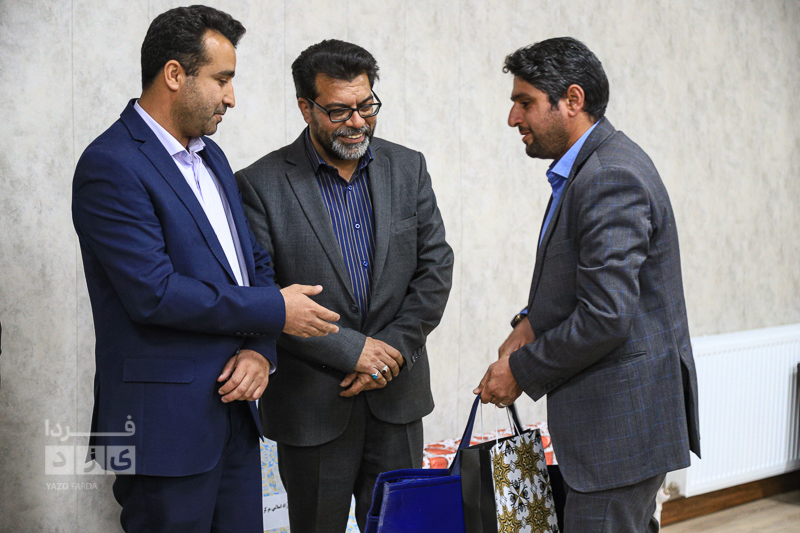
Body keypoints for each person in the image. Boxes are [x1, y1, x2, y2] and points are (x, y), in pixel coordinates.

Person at [71, 6, 339, 532]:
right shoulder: (110, 164)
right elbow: (154, 292)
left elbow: (252, 263)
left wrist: (261, 351)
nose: (231, 97)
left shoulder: (212, 157)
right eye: (222, 79)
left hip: (237, 418)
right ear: (175, 74)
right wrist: (276, 310)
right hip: (163, 431)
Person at [474, 37, 700, 532]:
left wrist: (520, 371)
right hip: (616, 427)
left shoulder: (609, 175)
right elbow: (584, 280)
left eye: (525, 102)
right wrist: (530, 322)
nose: (513, 118)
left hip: (619, 430)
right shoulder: (587, 168)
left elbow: (605, 316)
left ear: (572, 100)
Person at [235, 39, 454, 532]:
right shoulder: (259, 184)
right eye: (339, 111)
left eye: (367, 106)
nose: (358, 122)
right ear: (305, 107)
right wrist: (354, 352)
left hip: (397, 398)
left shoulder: (409, 167)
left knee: (402, 528)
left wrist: (388, 353)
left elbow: (436, 267)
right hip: (312, 408)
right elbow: (264, 297)